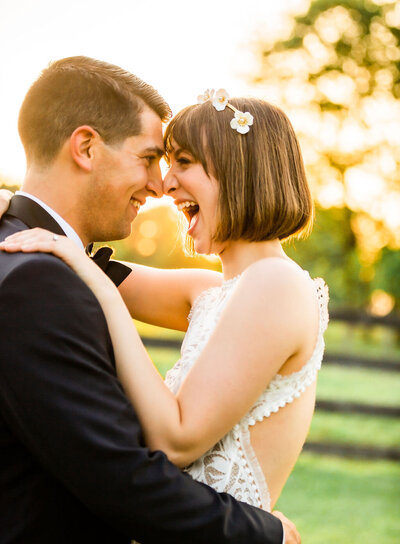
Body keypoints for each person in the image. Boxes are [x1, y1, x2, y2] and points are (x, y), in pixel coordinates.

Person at [1, 79, 328, 538]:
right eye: (162, 162)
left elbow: (174, 441)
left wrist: (98, 283)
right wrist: (14, 211)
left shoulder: (277, 285)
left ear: (239, 170)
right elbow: (75, 257)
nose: (165, 183)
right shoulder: (211, 289)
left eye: (184, 163)